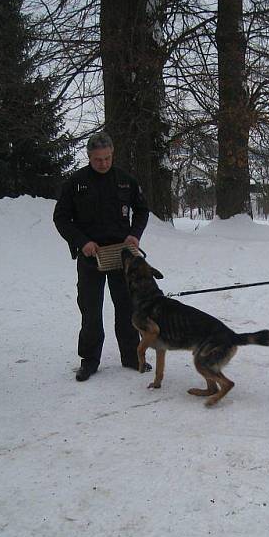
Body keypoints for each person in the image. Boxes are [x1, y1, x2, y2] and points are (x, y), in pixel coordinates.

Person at [53, 132, 151, 382]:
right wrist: (81, 241)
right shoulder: (75, 183)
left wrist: (134, 235)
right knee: (91, 310)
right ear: (89, 157)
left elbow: (141, 210)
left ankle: (131, 356)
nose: (103, 164)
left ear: (113, 154)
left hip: (122, 257)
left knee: (127, 307)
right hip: (91, 256)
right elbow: (61, 218)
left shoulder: (126, 181)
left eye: (107, 158)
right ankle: (89, 360)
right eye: (98, 159)